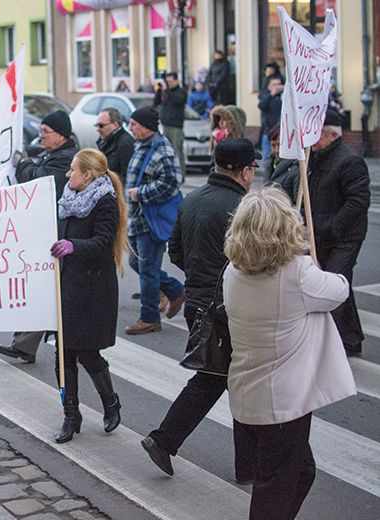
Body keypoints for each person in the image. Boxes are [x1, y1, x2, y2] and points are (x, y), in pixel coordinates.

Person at [224, 187, 356, 520]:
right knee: (275, 487)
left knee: (301, 472)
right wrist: (307, 254)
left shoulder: (232, 271)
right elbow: (340, 288)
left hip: (249, 394)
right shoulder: (297, 275)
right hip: (282, 405)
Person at [141, 138, 260, 482]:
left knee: (225, 379)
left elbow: (175, 251)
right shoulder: (244, 208)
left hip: (198, 302)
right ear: (244, 171)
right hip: (228, 307)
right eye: (252, 168)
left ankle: (246, 466)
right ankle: (166, 440)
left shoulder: (192, 199)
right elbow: (251, 262)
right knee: (227, 380)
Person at [50, 148, 129, 443]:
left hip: (93, 289)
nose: (68, 174)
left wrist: (73, 245)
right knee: (63, 353)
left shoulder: (105, 202)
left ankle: (111, 404)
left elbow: (103, 242)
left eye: (73, 170)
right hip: (67, 284)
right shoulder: (68, 198)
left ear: (88, 176)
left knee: (87, 352)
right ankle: (71, 415)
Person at [0, 110, 78, 364]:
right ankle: (25, 345)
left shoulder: (66, 161)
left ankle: (49, 347)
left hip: (57, 234)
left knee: (49, 291)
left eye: (45, 132)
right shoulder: (54, 155)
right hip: (47, 231)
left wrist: (23, 164)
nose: (40, 136)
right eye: (40, 131)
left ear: (61, 136)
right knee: (45, 289)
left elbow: (37, 180)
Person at [308, 109, 371, 357]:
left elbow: (358, 201)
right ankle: (351, 339)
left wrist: (334, 226)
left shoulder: (349, 161)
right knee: (342, 283)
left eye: (316, 134)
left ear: (331, 135)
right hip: (323, 234)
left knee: (332, 285)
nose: (311, 139)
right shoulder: (315, 157)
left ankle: (327, 346)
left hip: (345, 236)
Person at [124, 106, 185, 335]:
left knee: (148, 271)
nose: (130, 128)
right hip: (138, 219)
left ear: (146, 127)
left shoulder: (162, 149)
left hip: (150, 220)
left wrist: (140, 194)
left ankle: (149, 318)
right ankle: (176, 289)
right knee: (136, 263)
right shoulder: (142, 145)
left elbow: (172, 182)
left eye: (134, 125)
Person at [154, 72, 187, 173]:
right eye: (167, 82)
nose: (169, 84)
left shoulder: (180, 92)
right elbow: (156, 102)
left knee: (177, 150)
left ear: (176, 81)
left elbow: (175, 100)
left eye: (170, 82)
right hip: (165, 125)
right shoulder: (166, 92)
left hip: (175, 126)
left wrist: (165, 91)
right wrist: (160, 91)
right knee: (165, 151)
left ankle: (180, 173)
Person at [96, 108, 135, 180]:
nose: (97, 129)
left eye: (101, 125)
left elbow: (125, 176)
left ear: (115, 125)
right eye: (97, 125)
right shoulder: (104, 141)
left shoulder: (125, 144)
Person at [263, 123, 299, 202]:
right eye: (273, 145)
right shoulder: (270, 163)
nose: (276, 150)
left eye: (280, 145)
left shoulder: (297, 168)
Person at [258, 77, 284, 171]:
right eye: (274, 85)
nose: (277, 87)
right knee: (267, 160)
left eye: (279, 85)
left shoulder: (283, 97)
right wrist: (272, 94)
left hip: (281, 133)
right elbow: (261, 106)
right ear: (269, 87)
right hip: (268, 132)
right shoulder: (266, 96)